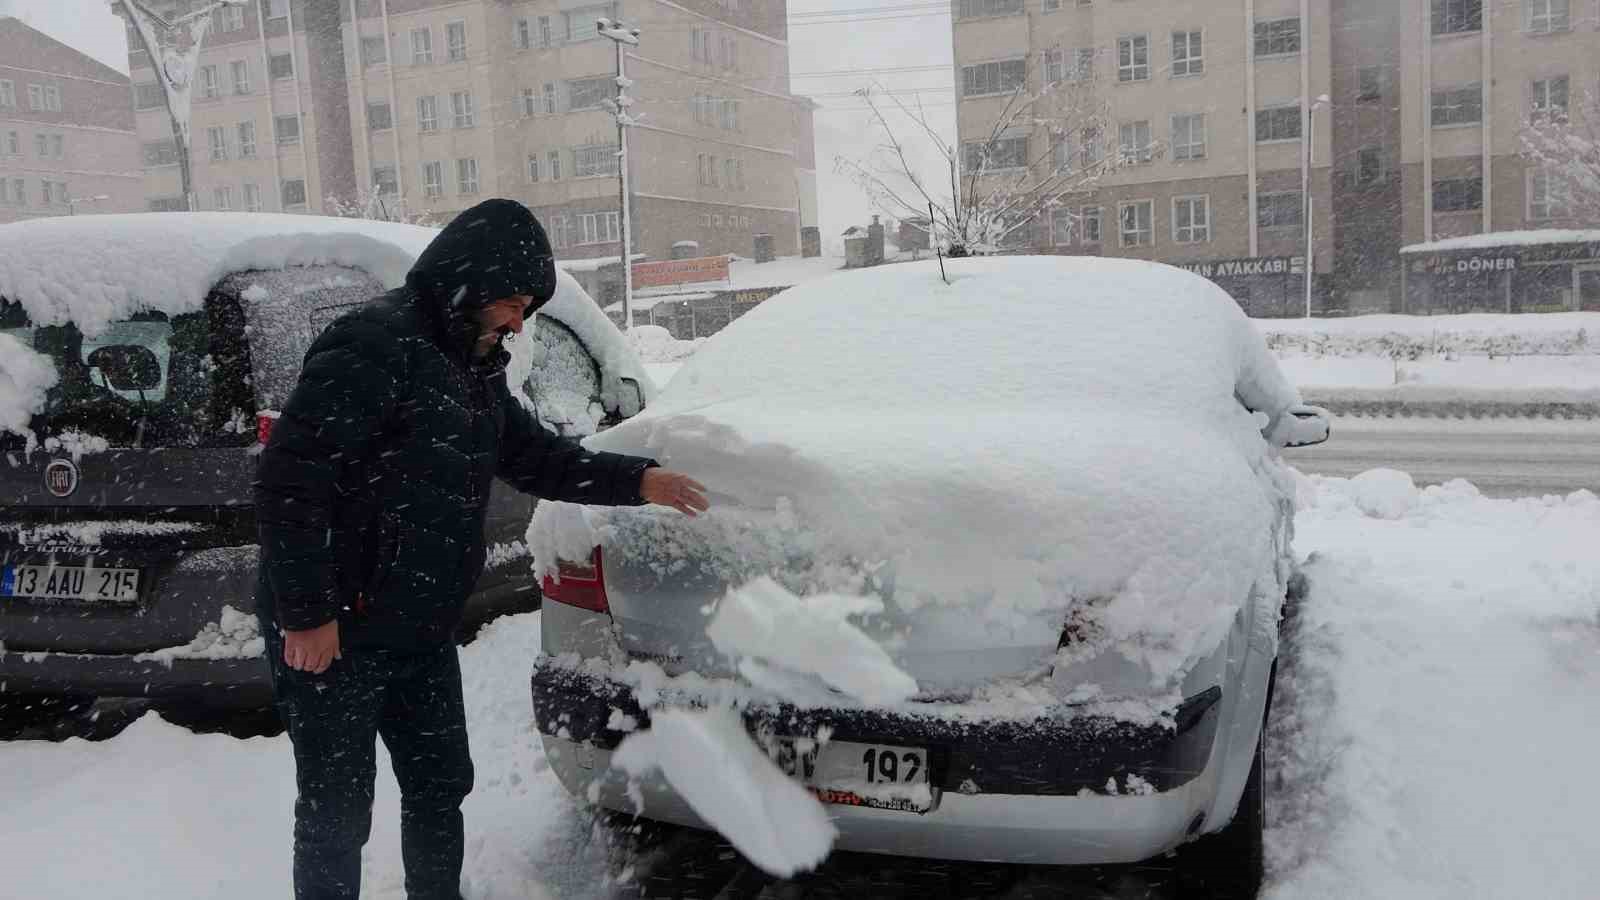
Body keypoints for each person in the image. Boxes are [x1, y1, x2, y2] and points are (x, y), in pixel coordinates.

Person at [253, 198, 707, 900]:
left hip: (421, 625)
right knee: (337, 811)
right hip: (340, 626)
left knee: (440, 785)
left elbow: (532, 456)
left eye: (527, 308)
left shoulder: (475, 362)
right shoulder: (373, 344)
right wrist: (308, 612)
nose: (518, 322)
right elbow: (290, 480)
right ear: (472, 279)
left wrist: (638, 479)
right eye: (514, 302)